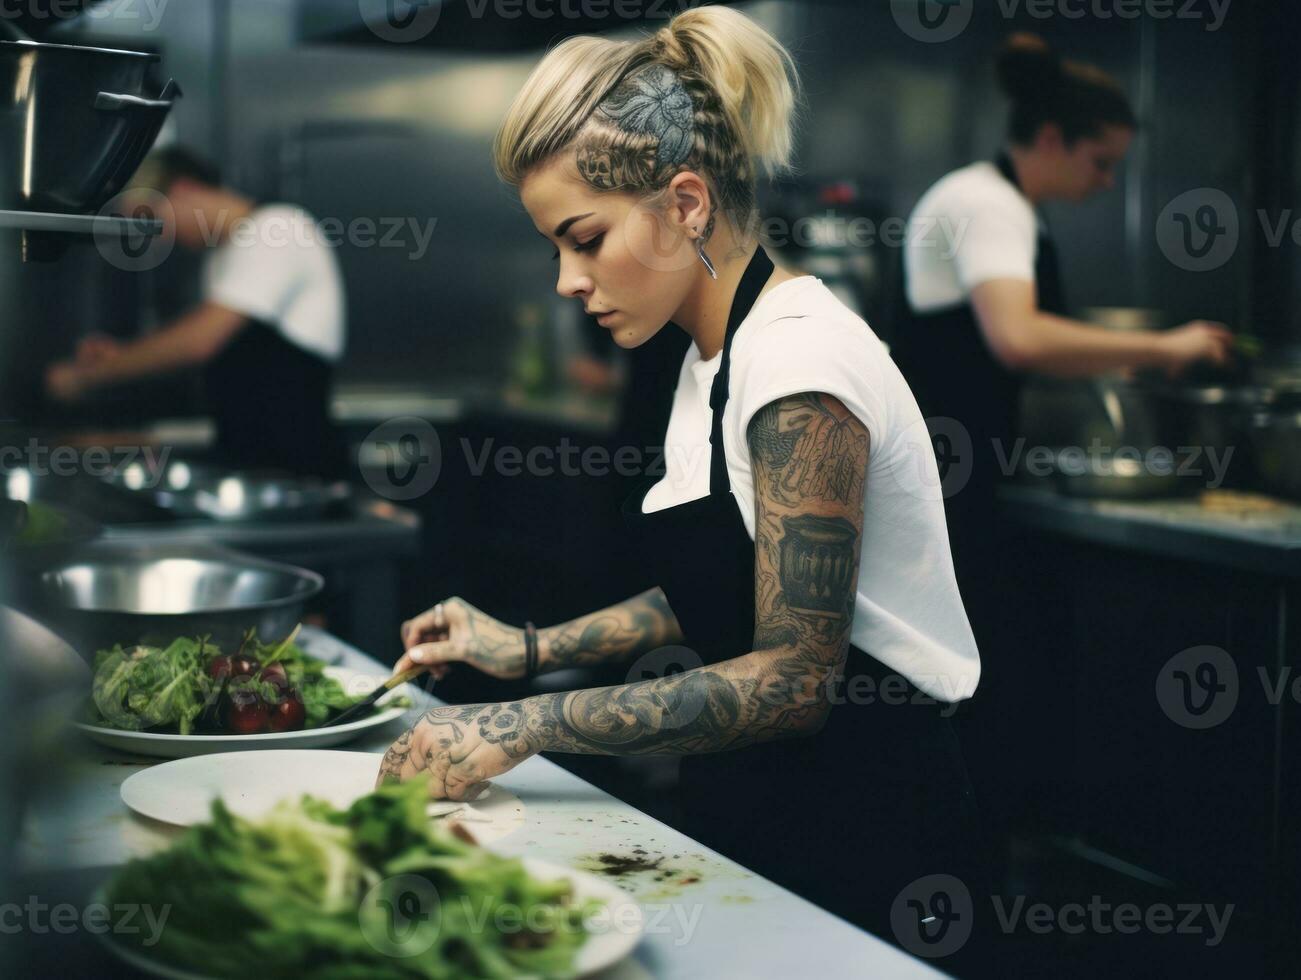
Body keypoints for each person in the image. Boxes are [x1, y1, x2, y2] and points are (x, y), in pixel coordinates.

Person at [377, 6, 986, 949]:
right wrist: (529, 647)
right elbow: (731, 581)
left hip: (866, 829)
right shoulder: (712, 354)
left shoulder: (797, 368)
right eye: (555, 249)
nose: (566, 281)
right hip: (764, 802)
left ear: (687, 204)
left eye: (584, 237)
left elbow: (792, 679)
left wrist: (526, 722)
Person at [890, 34, 1235, 845]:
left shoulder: (996, 204)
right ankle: (973, 855)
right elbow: (1017, 339)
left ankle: (986, 844)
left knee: (983, 670)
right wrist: (1165, 348)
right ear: (1051, 140)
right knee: (975, 675)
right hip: (947, 486)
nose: (1104, 182)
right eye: (1100, 162)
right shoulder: (989, 204)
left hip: (962, 476)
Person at [44, 148, 347, 477]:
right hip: (254, 471)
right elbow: (236, 400)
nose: (164, 236)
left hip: (302, 476)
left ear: (185, 190)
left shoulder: (278, 229)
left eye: (155, 220)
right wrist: (122, 368)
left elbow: (199, 341)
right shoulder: (222, 258)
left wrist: (87, 376)